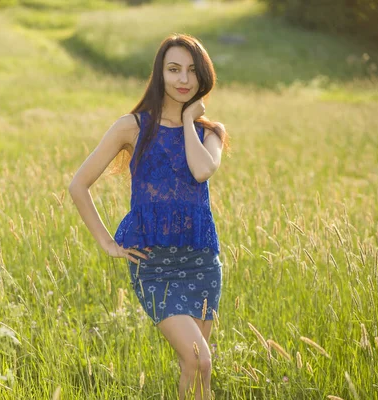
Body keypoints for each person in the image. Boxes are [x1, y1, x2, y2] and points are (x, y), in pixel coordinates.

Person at [68, 33, 229, 400]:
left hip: (200, 260)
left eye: (191, 71)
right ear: (160, 74)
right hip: (154, 264)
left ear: (203, 77)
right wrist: (107, 243)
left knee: (199, 367)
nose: (183, 79)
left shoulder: (211, 133)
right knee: (198, 359)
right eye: (174, 70)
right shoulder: (132, 127)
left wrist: (189, 121)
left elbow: (202, 170)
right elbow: (78, 186)